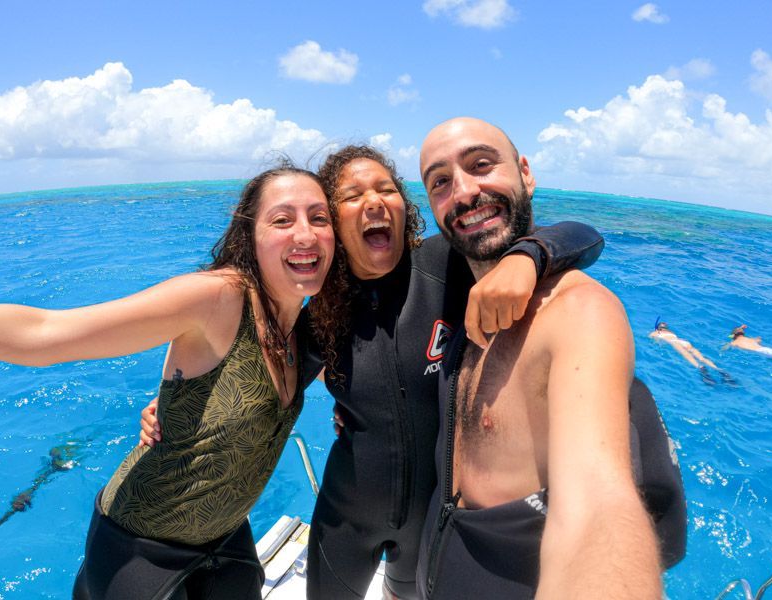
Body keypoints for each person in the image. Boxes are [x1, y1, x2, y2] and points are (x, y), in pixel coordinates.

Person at [140, 145, 606, 599]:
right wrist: (186, 403)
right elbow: (265, 385)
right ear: (334, 224)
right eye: (352, 195)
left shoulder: (447, 265)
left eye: (387, 188)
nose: (374, 202)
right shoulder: (322, 314)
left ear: (405, 206)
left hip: (430, 515)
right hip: (347, 515)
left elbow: (581, 234)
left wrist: (528, 257)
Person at [0, 164, 336, 599]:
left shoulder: (303, 331)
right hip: (139, 546)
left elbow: (369, 374)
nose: (304, 234)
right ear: (250, 236)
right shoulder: (218, 298)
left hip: (226, 538)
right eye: (282, 220)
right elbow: (44, 335)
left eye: (318, 218)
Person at [415, 117, 681, 599]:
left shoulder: (578, 312)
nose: (465, 192)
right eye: (440, 182)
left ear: (525, 173)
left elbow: (597, 503)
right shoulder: (456, 283)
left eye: (481, 165)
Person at [650, 319, 733, 385]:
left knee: (685, 354)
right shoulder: (672, 333)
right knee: (702, 358)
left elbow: (655, 341)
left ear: (658, 328)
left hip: (674, 342)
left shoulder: (656, 332)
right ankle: (718, 369)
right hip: (684, 342)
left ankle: (700, 367)